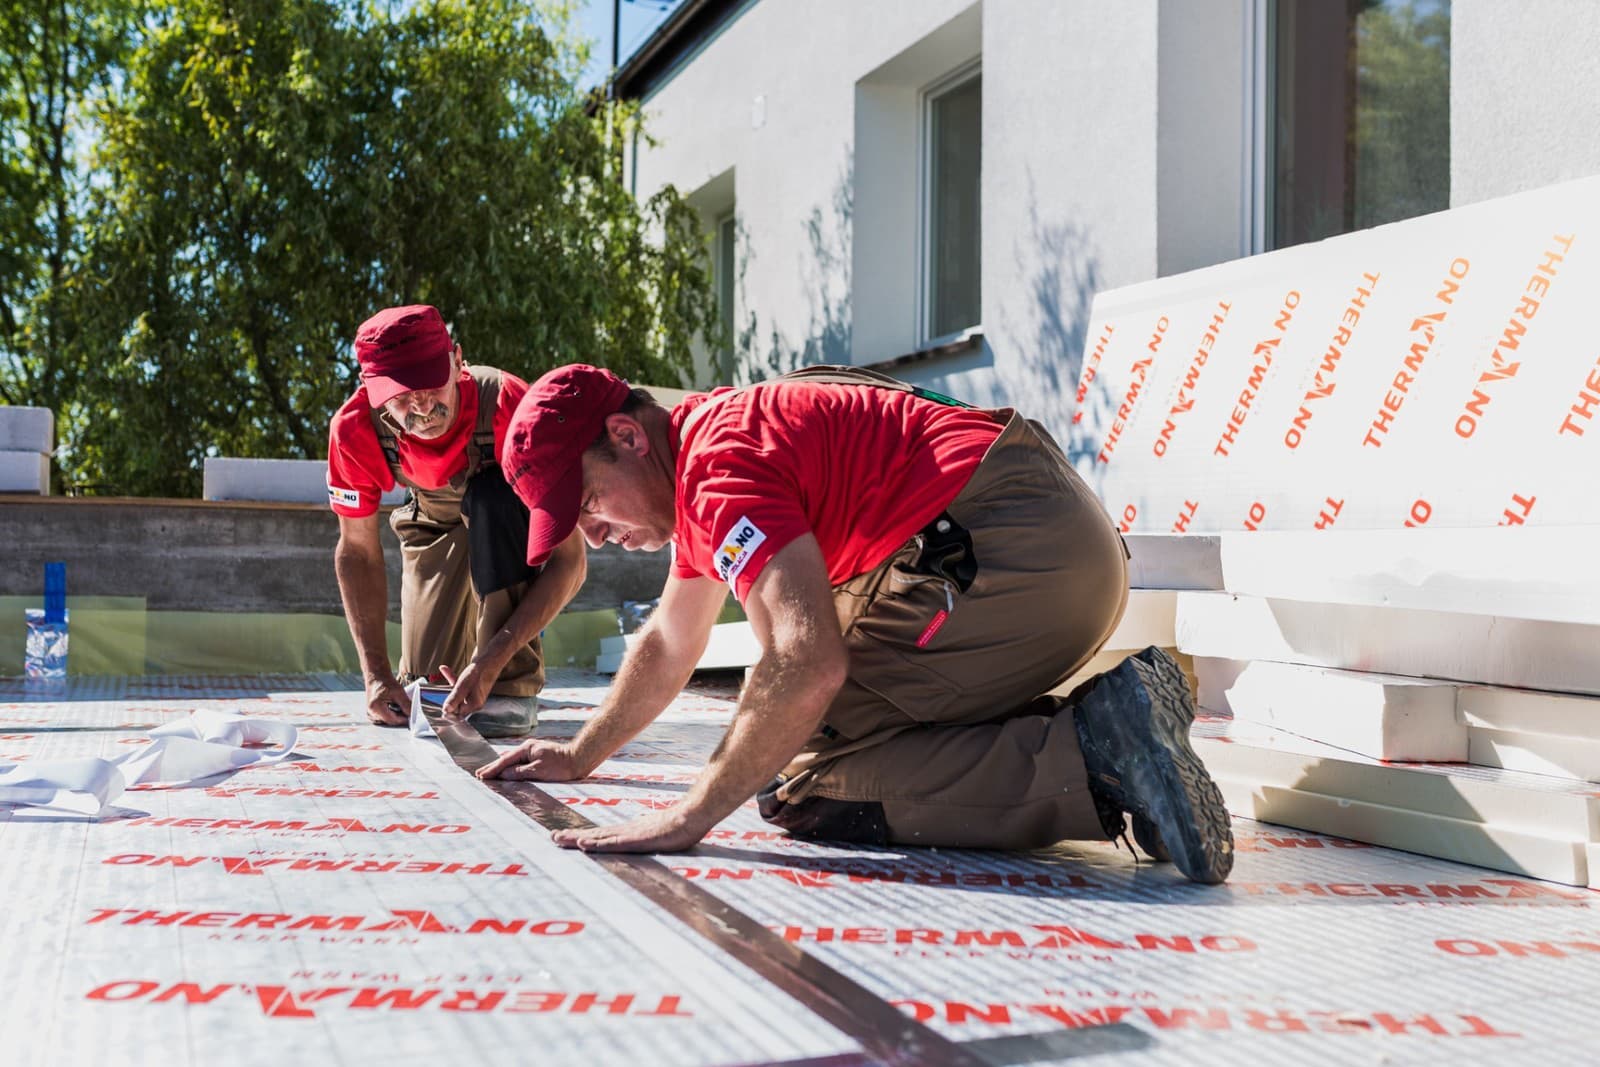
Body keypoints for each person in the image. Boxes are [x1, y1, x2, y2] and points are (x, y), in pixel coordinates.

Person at [480, 363, 1233, 884]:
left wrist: (690, 814)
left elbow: (807, 663)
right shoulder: (711, 445)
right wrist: (580, 754)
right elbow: (673, 640)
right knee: (783, 726)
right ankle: (1115, 735)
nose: (598, 534)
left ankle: (1098, 753)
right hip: (1038, 534)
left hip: (1008, 548)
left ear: (628, 435)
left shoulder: (718, 473)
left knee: (800, 773)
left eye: (588, 504)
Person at [326, 305, 586, 736]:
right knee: (426, 688)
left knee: (492, 498)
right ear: (370, 391)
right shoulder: (356, 430)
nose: (423, 407)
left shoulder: (508, 404)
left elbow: (571, 561)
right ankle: (468, 666)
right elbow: (356, 551)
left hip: (504, 521)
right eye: (402, 395)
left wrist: (493, 661)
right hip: (433, 525)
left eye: (431, 385)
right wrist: (375, 675)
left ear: (458, 361)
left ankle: (511, 687)